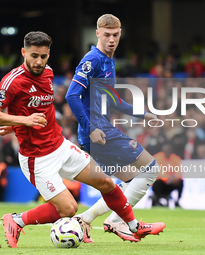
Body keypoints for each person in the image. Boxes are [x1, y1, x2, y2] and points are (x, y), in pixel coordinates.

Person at [0, 31, 163, 248]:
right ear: (23, 53)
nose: (39, 61)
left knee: (106, 182)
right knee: (69, 209)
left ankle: (134, 226)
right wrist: (22, 121)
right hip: (37, 158)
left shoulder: (48, 73)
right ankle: (16, 220)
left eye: (43, 56)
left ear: (48, 54)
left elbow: (40, 110)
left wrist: (16, 124)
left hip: (60, 146)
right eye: (33, 56)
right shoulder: (12, 80)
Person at [65, 14, 165, 243]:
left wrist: (143, 113)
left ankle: (85, 219)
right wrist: (90, 128)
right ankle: (118, 221)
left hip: (100, 130)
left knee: (127, 181)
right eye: (107, 34)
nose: (112, 39)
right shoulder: (93, 60)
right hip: (99, 131)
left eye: (116, 35)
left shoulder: (109, 61)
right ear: (98, 34)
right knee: (150, 168)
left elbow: (113, 101)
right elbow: (72, 96)